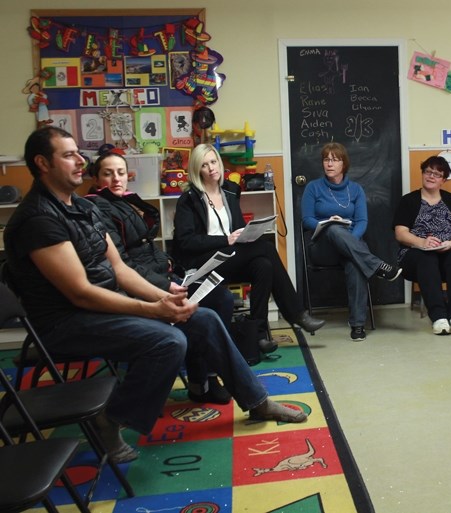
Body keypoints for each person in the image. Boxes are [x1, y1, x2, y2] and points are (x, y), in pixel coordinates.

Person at [3, 127, 307, 464]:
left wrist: (166, 296)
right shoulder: (39, 220)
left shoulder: (81, 208)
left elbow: (119, 268)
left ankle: (257, 401)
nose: (80, 160)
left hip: (100, 307)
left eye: (78, 152)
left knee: (201, 316)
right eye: (68, 154)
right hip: (67, 323)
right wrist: (155, 311)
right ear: (43, 163)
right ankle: (110, 421)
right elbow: (81, 294)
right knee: (168, 341)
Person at [85, 146, 266, 406]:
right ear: (96, 178)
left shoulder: (124, 202)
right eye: (108, 173)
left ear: (128, 175)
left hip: (167, 273)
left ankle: (205, 378)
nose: (116, 179)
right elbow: (124, 265)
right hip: (146, 286)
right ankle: (205, 380)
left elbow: (146, 250)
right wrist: (166, 284)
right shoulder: (99, 209)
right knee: (214, 303)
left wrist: (172, 269)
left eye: (121, 172)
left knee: (226, 294)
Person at [172, 144, 325, 341]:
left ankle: (258, 335)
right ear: (197, 170)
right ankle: (296, 313)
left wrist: (248, 234)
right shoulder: (188, 199)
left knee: (264, 265)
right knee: (267, 248)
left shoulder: (230, 192)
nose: (211, 168)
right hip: (204, 263)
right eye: (204, 165)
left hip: (230, 257)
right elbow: (186, 241)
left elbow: (237, 227)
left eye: (213, 162)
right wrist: (226, 239)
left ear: (219, 162)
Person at [300, 142, 403, 341]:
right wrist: (328, 223)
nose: (329, 164)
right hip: (322, 247)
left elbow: (362, 221)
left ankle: (357, 325)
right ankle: (377, 266)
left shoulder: (355, 189)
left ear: (344, 164)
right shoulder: (313, 187)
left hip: (350, 245)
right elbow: (307, 220)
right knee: (334, 227)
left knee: (356, 263)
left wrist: (350, 242)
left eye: (335, 159)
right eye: (326, 159)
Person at [393, 155, 451, 336]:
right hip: (415, 256)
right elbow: (400, 233)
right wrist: (422, 243)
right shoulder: (408, 201)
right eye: (428, 171)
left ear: (443, 180)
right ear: (423, 174)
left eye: (437, 174)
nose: (431, 176)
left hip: (447, 252)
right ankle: (439, 317)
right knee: (426, 257)